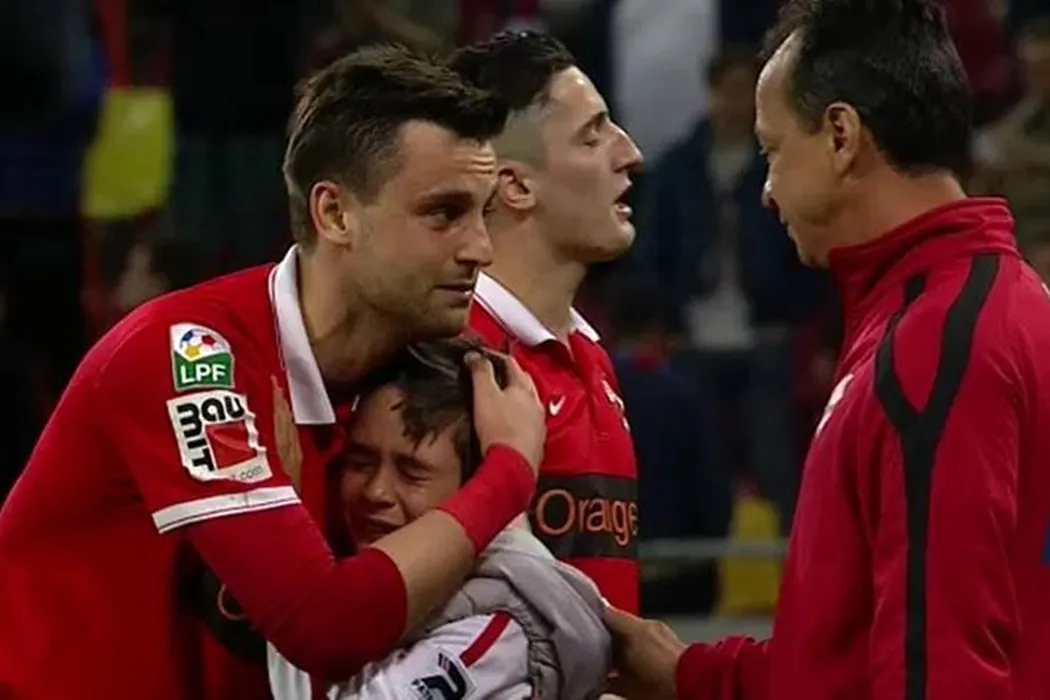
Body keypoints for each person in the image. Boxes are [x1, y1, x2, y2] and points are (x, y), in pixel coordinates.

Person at [0, 46, 546, 699]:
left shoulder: (417, 372)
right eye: (444, 213)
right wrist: (509, 472)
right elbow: (324, 625)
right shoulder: (192, 358)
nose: (480, 249)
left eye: (484, 214)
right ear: (335, 214)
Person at [604, 0, 1050, 698]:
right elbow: (851, 657)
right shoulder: (975, 306)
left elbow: (939, 674)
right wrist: (692, 676)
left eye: (773, 152)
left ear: (841, 135)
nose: (766, 193)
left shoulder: (937, 346)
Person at [269, 339, 611, 699]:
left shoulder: (505, 626)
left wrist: (280, 535)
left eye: (411, 473)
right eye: (361, 463)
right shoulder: (362, 579)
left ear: (476, 485)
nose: (376, 492)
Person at [448, 31, 644, 613]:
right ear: (515, 185)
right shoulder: (457, 358)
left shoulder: (593, 357)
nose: (630, 153)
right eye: (593, 137)